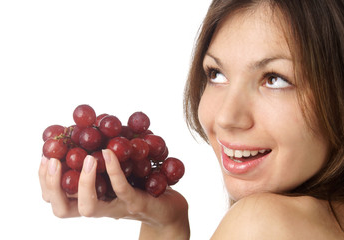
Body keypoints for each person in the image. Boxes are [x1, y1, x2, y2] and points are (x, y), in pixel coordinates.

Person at [39, 0, 344, 239]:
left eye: (275, 79)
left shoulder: (261, 224)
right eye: (216, 74)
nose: (226, 117)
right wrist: (164, 224)